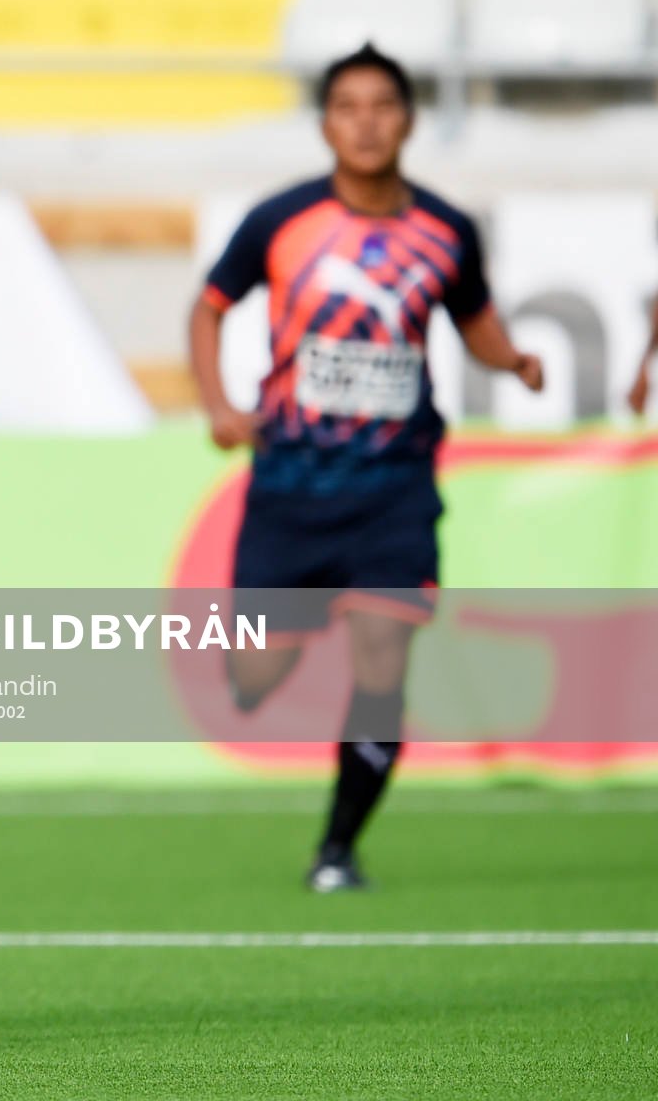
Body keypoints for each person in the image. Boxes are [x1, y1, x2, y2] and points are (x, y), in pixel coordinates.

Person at [189, 44, 543, 892]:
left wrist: (518, 361)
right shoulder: (281, 220)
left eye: (382, 105)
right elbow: (208, 310)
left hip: (396, 489)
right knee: (253, 676)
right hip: (290, 487)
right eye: (348, 107)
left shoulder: (447, 231)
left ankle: (338, 849)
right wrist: (221, 406)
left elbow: (477, 324)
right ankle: (296, 629)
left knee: (385, 662)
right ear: (326, 124)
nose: (367, 122)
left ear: (409, 120)